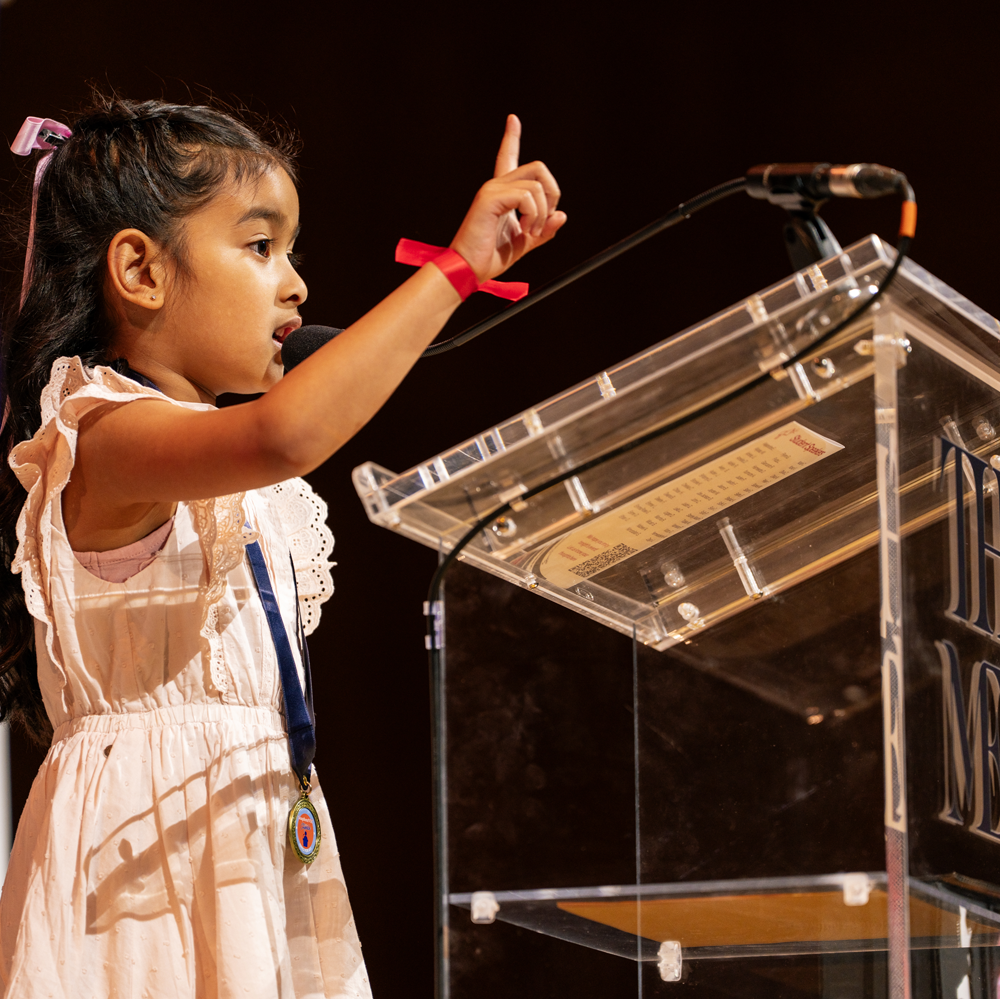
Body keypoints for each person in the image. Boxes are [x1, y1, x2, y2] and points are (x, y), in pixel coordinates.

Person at [0, 96, 565, 998]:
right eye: (261, 248)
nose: (296, 284)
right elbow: (284, 434)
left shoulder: (218, 467)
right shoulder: (102, 436)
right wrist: (455, 270)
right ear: (140, 270)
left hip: (250, 843)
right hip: (137, 870)